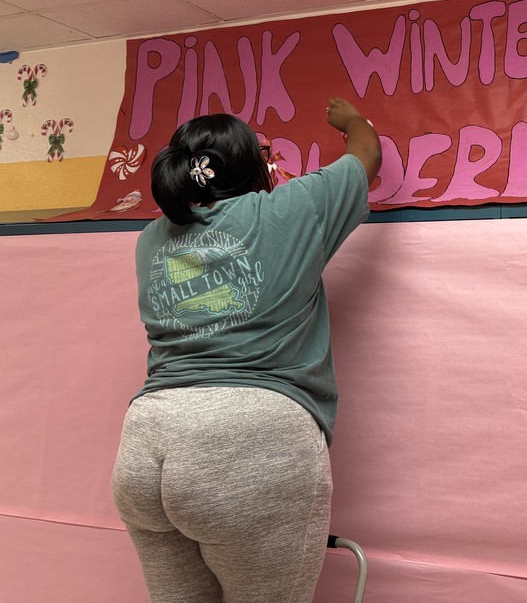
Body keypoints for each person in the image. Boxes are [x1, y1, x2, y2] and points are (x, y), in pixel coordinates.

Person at [111, 99, 381, 603]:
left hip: (146, 444)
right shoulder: (292, 208)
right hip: (250, 437)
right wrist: (349, 120)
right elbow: (366, 155)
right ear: (254, 163)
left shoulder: (151, 239)